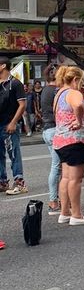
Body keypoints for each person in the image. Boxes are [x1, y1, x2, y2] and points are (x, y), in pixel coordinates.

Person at [52, 66, 84, 225]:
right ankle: (76, 215)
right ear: (76, 80)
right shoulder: (73, 93)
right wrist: (79, 121)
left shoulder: (60, 93)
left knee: (65, 178)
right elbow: (78, 105)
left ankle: (64, 212)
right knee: (76, 179)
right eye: (81, 80)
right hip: (76, 141)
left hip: (62, 141)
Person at [0, 54, 29, 195]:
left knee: (14, 153)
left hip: (9, 124)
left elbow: (22, 105)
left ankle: (19, 182)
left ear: (3, 66)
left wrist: (13, 122)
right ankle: (2, 182)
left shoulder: (15, 83)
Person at [40, 64, 62, 213]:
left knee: (57, 166)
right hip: (55, 129)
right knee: (57, 166)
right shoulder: (56, 91)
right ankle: (53, 201)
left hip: (47, 129)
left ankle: (58, 199)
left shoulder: (45, 90)